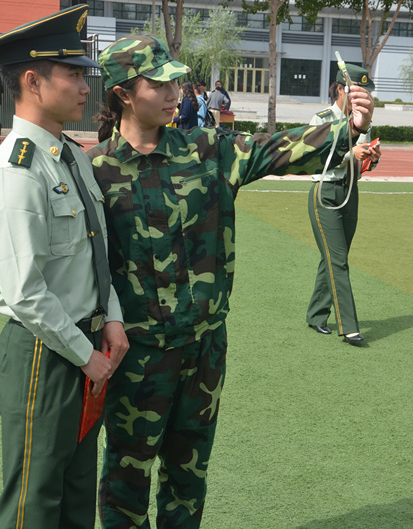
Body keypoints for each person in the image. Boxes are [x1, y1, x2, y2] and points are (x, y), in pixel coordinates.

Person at [90, 33, 373, 528]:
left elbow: (276, 150)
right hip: (137, 356)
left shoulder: (206, 149)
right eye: (159, 85)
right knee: (125, 482)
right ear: (123, 94)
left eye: (176, 82)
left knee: (188, 476)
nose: (175, 93)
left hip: (204, 348)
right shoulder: (95, 171)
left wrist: (346, 127)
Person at [0, 5, 129, 528]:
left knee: (75, 500)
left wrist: (111, 317)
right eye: (73, 74)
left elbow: (95, 251)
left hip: (84, 346)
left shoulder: (71, 155)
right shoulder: (17, 169)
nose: (87, 87)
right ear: (32, 81)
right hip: (45, 355)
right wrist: (87, 356)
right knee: (34, 505)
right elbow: (24, 290)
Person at [306, 69, 380, 345]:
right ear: (340, 89)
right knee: (338, 260)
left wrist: (372, 157)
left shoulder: (364, 122)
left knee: (334, 257)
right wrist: (350, 153)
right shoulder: (322, 119)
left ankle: (316, 314)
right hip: (325, 192)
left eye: (365, 93)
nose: (362, 98)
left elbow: (364, 161)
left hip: (350, 191)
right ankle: (348, 326)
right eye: (356, 92)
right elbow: (313, 155)